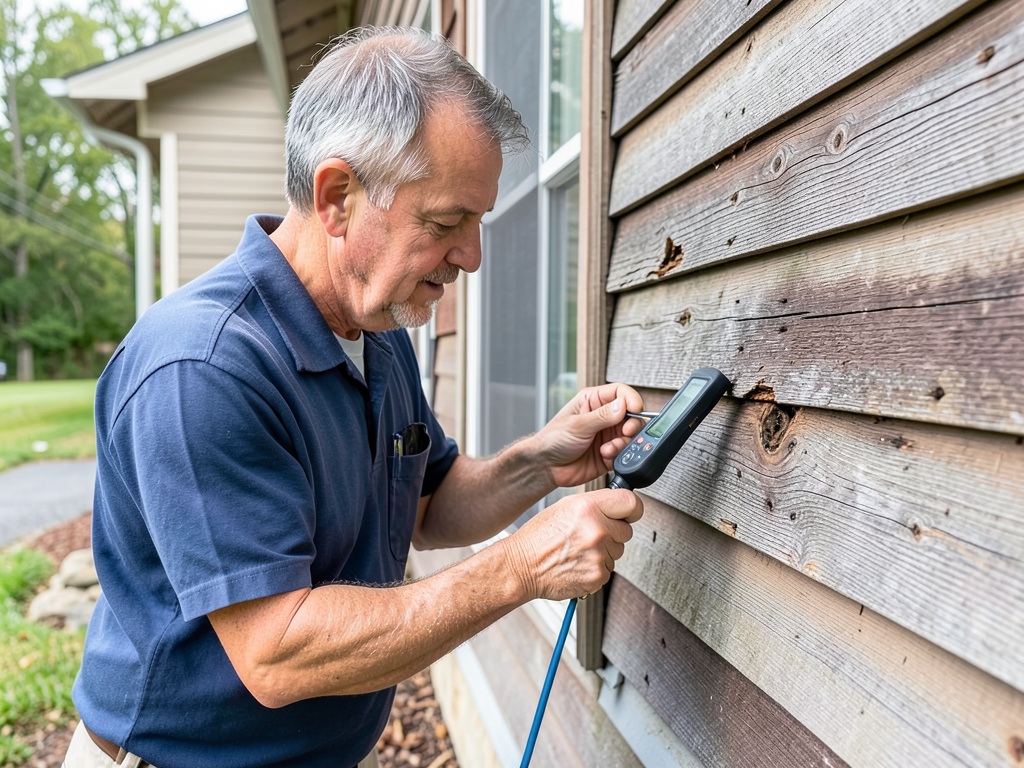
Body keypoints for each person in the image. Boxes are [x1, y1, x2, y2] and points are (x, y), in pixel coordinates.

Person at [63, 26, 644, 768]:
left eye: (477, 222)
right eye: (446, 222)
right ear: (337, 196)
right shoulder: (202, 369)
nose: (470, 254)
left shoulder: (378, 329)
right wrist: (521, 565)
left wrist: (538, 463)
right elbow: (278, 653)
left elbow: (427, 507)